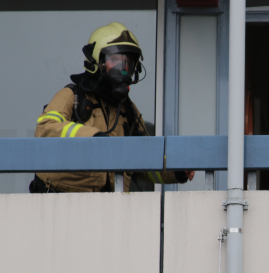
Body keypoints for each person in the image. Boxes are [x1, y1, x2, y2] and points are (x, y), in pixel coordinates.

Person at [30, 22, 193, 193]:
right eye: (114, 61)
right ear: (95, 61)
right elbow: (45, 129)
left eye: (127, 63)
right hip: (65, 206)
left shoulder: (128, 111)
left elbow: (144, 161)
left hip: (113, 210)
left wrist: (177, 169)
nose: (123, 69)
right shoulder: (73, 96)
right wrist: (93, 139)